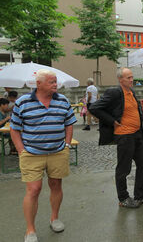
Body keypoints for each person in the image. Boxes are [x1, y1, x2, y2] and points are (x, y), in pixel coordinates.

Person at [9, 69, 77, 242]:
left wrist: (67, 145)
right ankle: (30, 230)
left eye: (56, 81)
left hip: (58, 151)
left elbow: (69, 123)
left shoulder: (63, 100)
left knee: (56, 185)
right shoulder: (22, 102)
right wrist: (20, 150)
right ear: (38, 84)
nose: (56, 85)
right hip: (31, 153)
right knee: (33, 190)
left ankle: (54, 218)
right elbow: (14, 128)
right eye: (51, 82)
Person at [89, 67, 143, 208]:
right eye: (128, 78)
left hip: (136, 134)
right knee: (123, 169)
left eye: (132, 77)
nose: (131, 80)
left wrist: (141, 133)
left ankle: (139, 195)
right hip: (124, 135)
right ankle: (123, 198)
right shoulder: (115, 92)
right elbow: (94, 108)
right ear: (120, 79)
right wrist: (112, 121)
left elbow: (135, 114)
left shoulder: (131, 92)